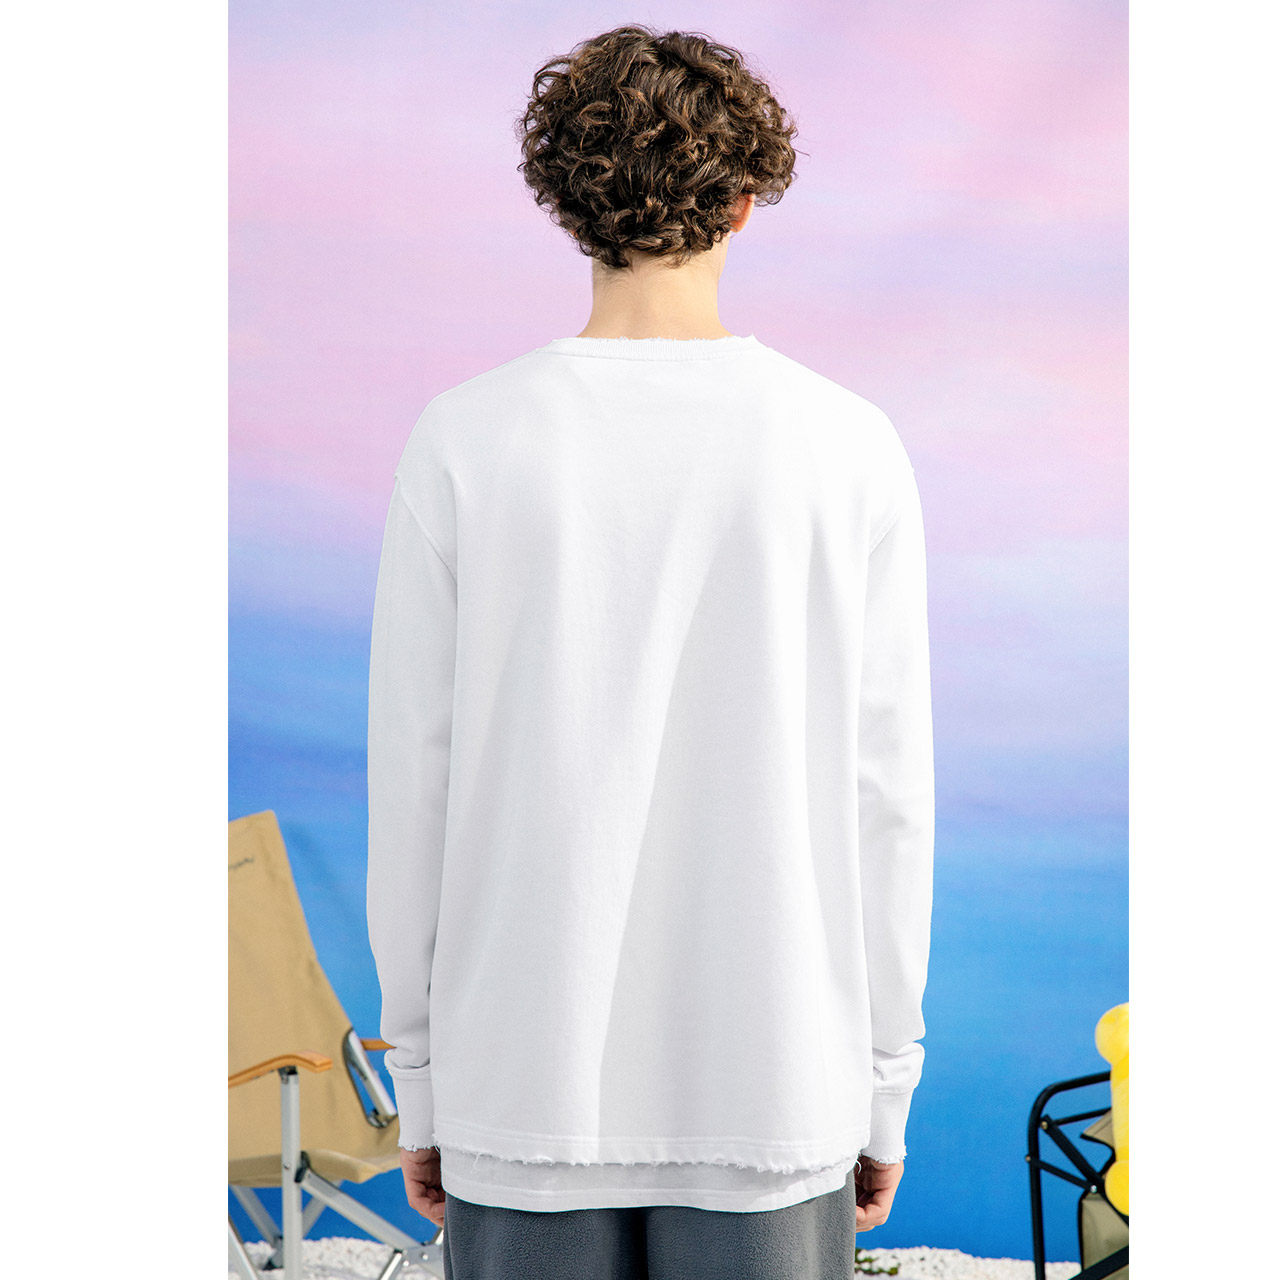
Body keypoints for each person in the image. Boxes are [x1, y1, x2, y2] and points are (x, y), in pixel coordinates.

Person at [366, 23, 935, 1280]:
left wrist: (423, 1079)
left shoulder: (462, 440)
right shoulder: (846, 445)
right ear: (742, 201)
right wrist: (880, 1082)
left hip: (519, 1090)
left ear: (568, 205)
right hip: (776, 1090)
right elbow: (886, 798)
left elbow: (412, 791)